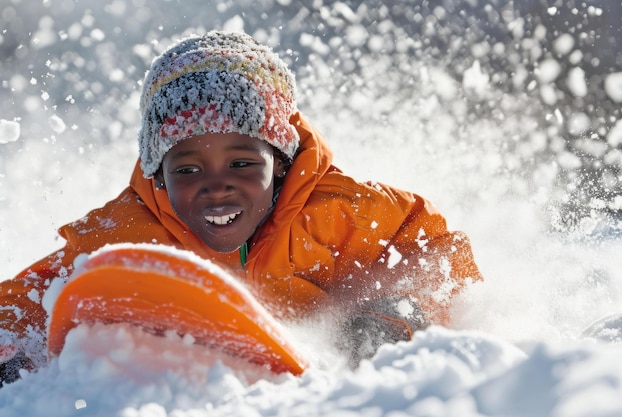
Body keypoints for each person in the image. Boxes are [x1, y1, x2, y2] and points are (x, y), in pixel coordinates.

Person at [0, 31, 483, 384]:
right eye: (187, 170)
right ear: (157, 175)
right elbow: (36, 295)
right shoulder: (125, 233)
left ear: (280, 160)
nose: (217, 188)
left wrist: (402, 308)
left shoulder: (338, 210)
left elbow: (432, 249)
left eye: (242, 163)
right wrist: (12, 353)